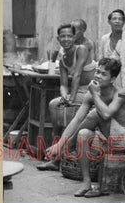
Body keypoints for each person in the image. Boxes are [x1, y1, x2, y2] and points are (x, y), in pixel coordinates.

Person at [44, 58, 125, 197]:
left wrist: (94, 94)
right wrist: (60, 142)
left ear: (112, 79)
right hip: (105, 136)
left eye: (103, 74)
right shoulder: (91, 92)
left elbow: (105, 115)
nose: (98, 75)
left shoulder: (119, 93)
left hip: (124, 138)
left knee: (95, 113)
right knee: (83, 133)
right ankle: (86, 183)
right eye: (97, 71)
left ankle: (65, 148)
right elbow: (77, 119)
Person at [37, 24, 96, 171]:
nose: (66, 39)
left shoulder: (81, 50)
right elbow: (64, 84)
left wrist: (71, 98)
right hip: (76, 92)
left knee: (63, 108)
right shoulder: (62, 59)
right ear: (58, 38)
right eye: (63, 36)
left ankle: (59, 156)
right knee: (53, 105)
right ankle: (55, 157)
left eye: (69, 36)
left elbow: (76, 75)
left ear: (74, 37)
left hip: (91, 91)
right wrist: (64, 96)